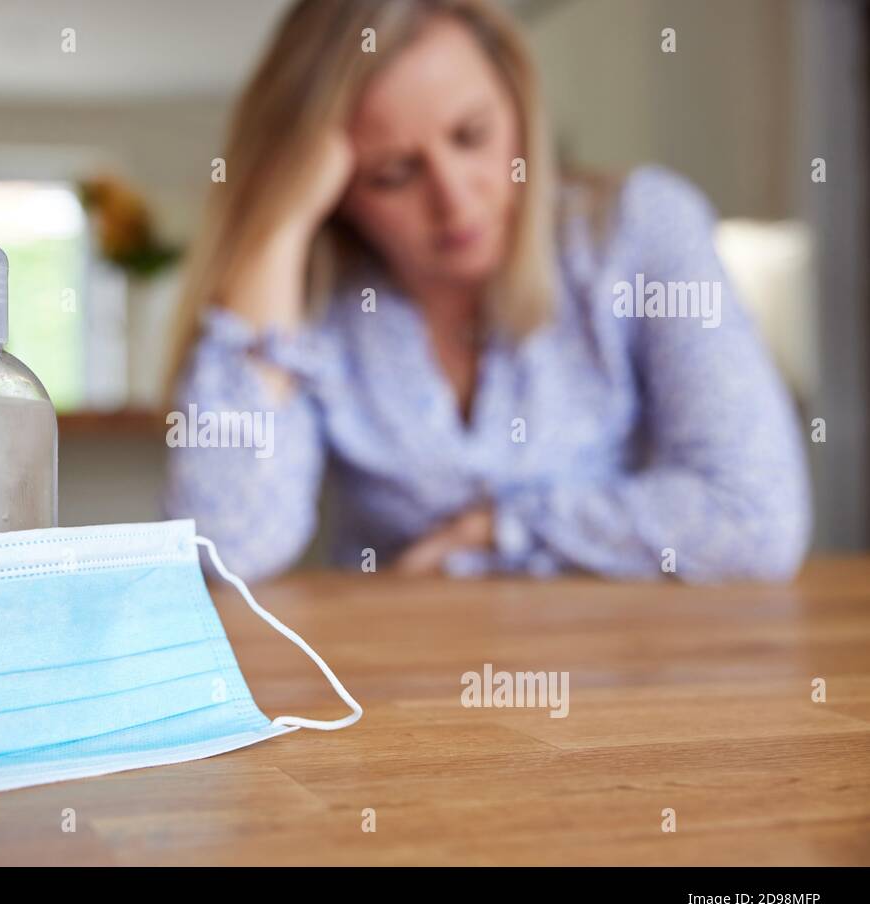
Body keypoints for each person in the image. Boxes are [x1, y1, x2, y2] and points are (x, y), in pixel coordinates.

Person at [162, 0, 810, 582]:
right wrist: (277, 226)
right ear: (337, 193)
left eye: (472, 136)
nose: (454, 198)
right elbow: (229, 545)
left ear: (521, 107)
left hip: (632, 680)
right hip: (398, 687)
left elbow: (755, 518)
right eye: (392, 173)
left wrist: (500, 529)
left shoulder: (637, 229)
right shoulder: (315, 294)